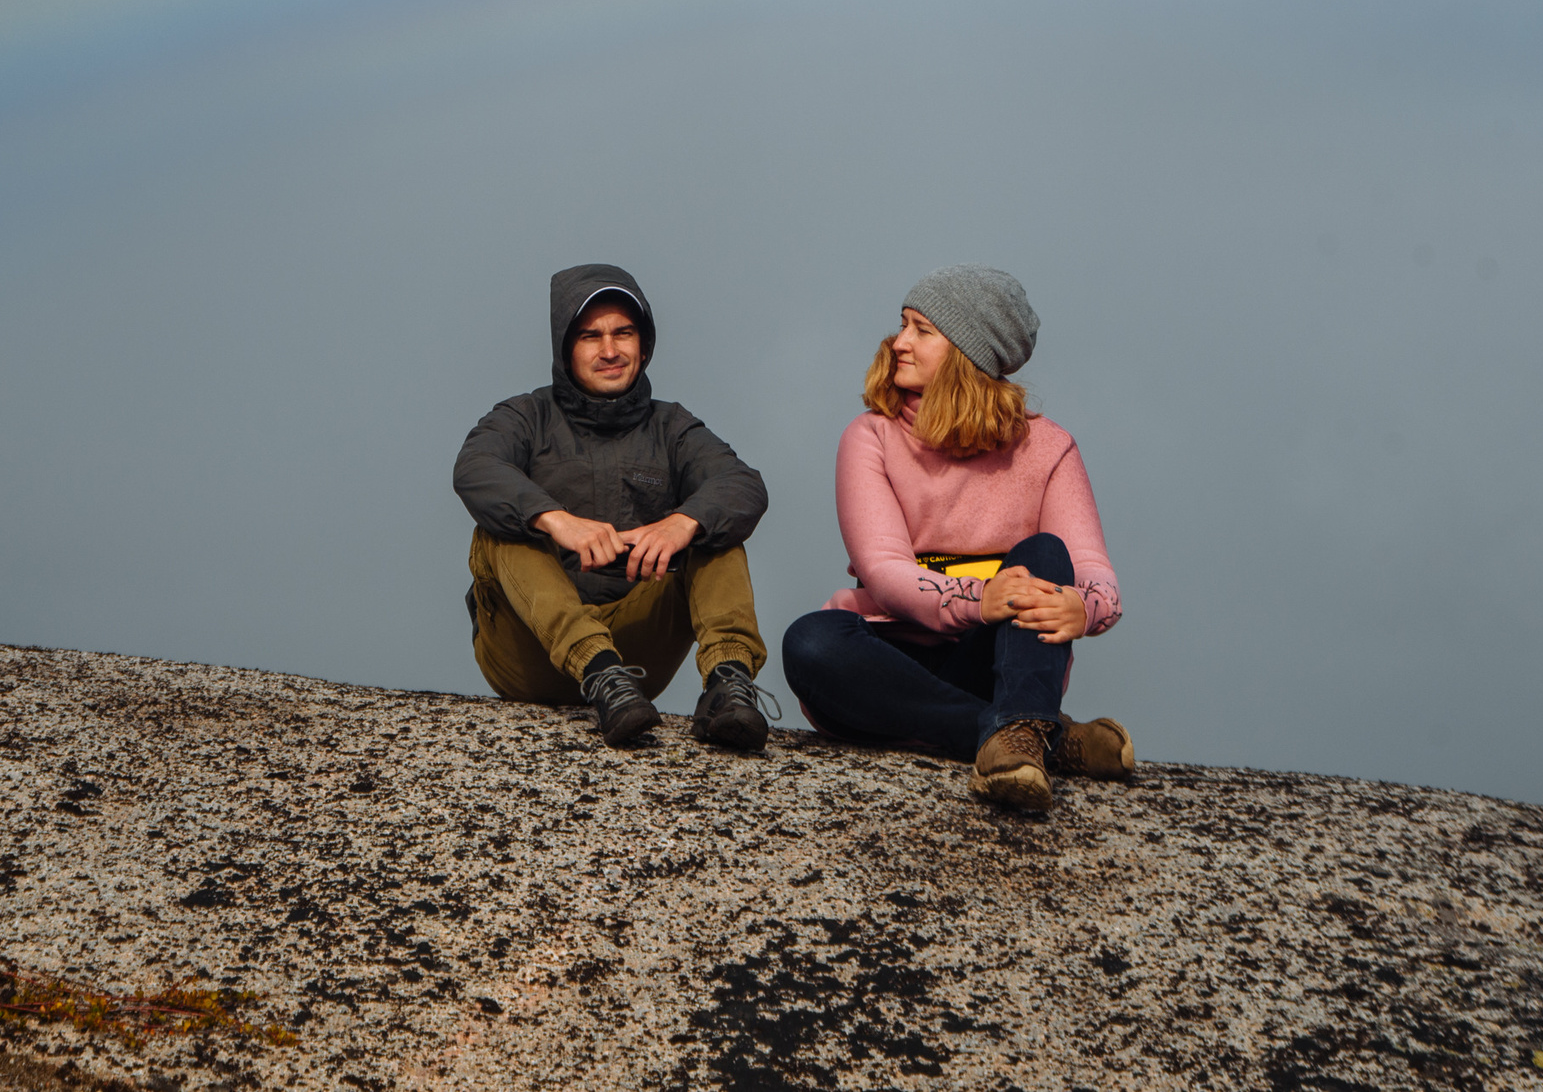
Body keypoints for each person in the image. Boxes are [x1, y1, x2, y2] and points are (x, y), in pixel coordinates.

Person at [780, 266, 1132, 811]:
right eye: (902, 325)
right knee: (810, 641)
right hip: (888, 665)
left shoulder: (1049, 447)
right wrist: (976, 600)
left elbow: (1094, 571)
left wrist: (1080, 608)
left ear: (969, 352)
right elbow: (882, 569)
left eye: (922, 330)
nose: (899, 343)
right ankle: (1034, 737)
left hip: (996, 666)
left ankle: (1016, 729)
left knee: (1046, 555)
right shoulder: (869, 435)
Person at [455, 264, 775, 749]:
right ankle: (598, 672)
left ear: (643, 346)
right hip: (530, 650)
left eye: (623, 333)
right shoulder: (524, 416)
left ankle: (728, 686)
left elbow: (742, 484)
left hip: (635, 658)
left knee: (714, 527)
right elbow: (475, 468)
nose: (609, 350)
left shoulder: (672, 427)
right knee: (500, 529)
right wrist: (556, 520)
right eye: (590, 336)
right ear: (566, 350)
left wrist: (682, 522)